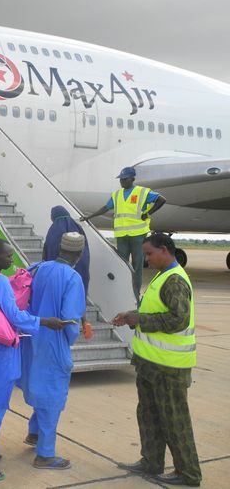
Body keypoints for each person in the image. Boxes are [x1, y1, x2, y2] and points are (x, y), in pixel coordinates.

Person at [0, 239, 66, 481]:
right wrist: (44, 321)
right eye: (8, 256)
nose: (12, 260)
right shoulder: (0, 280)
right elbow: (13, 315)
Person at [112, 232, 201, 487]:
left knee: (175, 420)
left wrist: (140, 320)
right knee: (148, 415)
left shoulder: (174, 280)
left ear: (165, 250)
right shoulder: (162, 276)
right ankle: (151, 462)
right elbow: (155, 312)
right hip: (150, 363)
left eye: (149, 253)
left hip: (169, 367)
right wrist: (132, 315)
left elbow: (178, 320)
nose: (146, 259)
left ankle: (189, 473)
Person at [18, 232, 86, 470]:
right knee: (52, 394)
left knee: (38, 385)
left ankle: (34, 433)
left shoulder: (37, 268)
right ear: (79, 254)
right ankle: (45, 454)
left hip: (30, 336)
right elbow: (70, 319)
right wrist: (68, 340)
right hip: (52, 340)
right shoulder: (72, 277)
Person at [81, 166, 166, 300]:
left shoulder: (142, 192)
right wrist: (90, 216)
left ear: (132, 179)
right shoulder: (117, 194)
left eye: (124, 179)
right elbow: (105, 207)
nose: (122, 182)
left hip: (138, 235)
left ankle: (135, 294)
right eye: (120, 179)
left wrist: (148, 213)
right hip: (122, 236)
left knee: (137, 264)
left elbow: (161, 200)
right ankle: (122, 291)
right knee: (121, 264)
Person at [44, 205, 93, 339]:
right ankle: (84, 321)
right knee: (79, 294)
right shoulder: (78, 227)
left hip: (60, 270)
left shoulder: (54, 229)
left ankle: (68, 329)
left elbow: (48, 250)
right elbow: (85, 249)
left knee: (63, 300)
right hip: (80, 267)